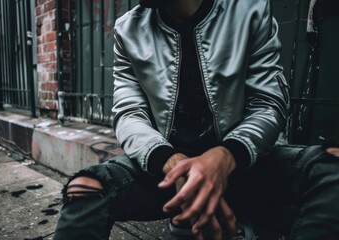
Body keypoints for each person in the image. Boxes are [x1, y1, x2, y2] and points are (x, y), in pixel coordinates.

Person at [53, 0, 339, 239]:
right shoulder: (127, 30)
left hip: (244, 164)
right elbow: (129, 114)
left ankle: (243, 217)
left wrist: (223, 157)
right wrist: (172, 163)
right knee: (85, 190)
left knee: (332, 169)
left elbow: (268, 104)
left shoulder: (249, 9)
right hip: (169, 174)